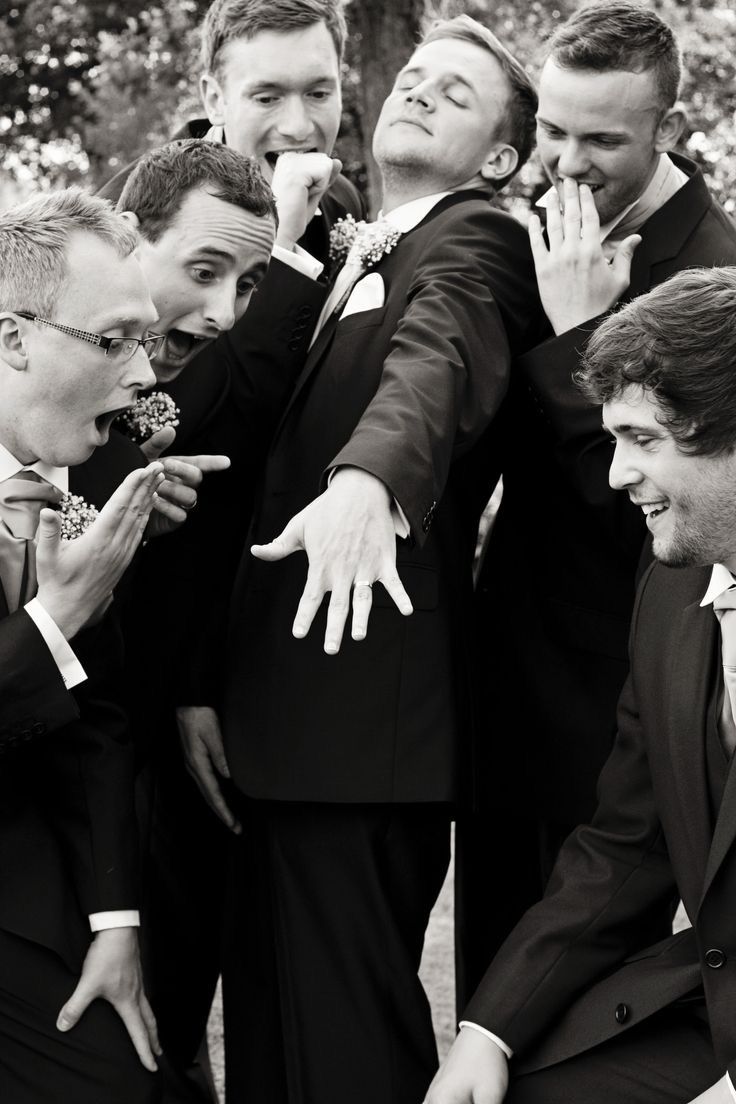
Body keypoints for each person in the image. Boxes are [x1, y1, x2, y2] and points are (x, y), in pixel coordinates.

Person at [183, 15, 543, 1104]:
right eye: (417, 76)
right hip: (271, 728)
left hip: (358, 731)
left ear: (499, 157)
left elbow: (435, 365)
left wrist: (368, 481)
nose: (421, 92)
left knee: (350, 1061)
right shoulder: (341, 239)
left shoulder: (475, 237)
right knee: (273, 1058)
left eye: (458, 92)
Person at [456, 1, 736, 1010]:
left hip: (600, 706)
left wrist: (583, 341)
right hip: (504, 677)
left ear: (665, 126)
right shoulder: (544, 221)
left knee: (559, 1001)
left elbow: (666, 525)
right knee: (486, 985)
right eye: (553, 131)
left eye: (600, 140)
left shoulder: (711, 277)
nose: (565, 163)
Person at [427, 264, 736, 1104]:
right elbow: (625, 845)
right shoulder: (672, 591)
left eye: (643, 441)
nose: (613, 476)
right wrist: (484, 1033)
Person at [110, 136, 278, 1104]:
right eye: (205, 272)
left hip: (144, 744)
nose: (222, 314)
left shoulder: (184, 386)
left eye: (248, 283)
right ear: (132, 238)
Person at [0, 186, 165, 1104]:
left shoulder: (99, 478)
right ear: (15, 337)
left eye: (145, 340)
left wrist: (116, 920)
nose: (144, 373)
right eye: (113, 341)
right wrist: (52, 625)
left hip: (39, 906)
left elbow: (101, 718)